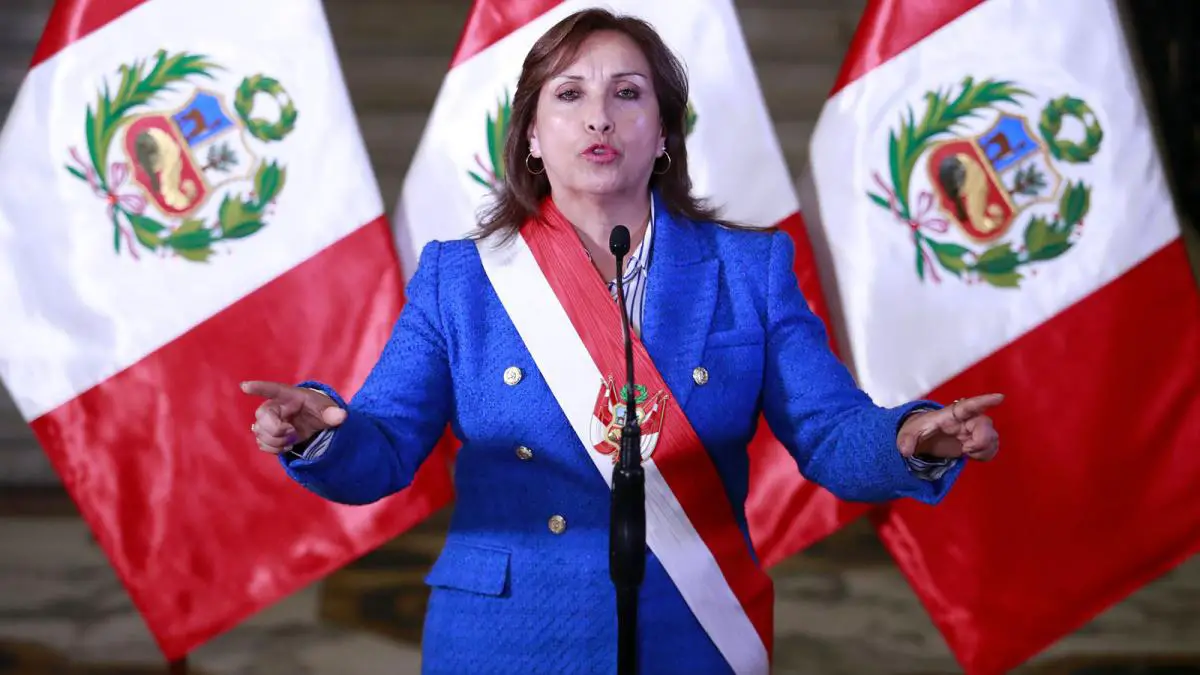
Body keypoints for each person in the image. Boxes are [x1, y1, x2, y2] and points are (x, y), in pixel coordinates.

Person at [241, 8, 1001, 674]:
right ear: (531, 133)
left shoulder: (749, 270)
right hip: (506, 635)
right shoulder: (460, 279)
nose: (599, 118)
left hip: (692, 628)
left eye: (627, 94)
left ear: (664, 132)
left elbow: (830, 431)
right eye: (569, 95)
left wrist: (911, 438)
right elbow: (382, 447)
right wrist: (319, 433)